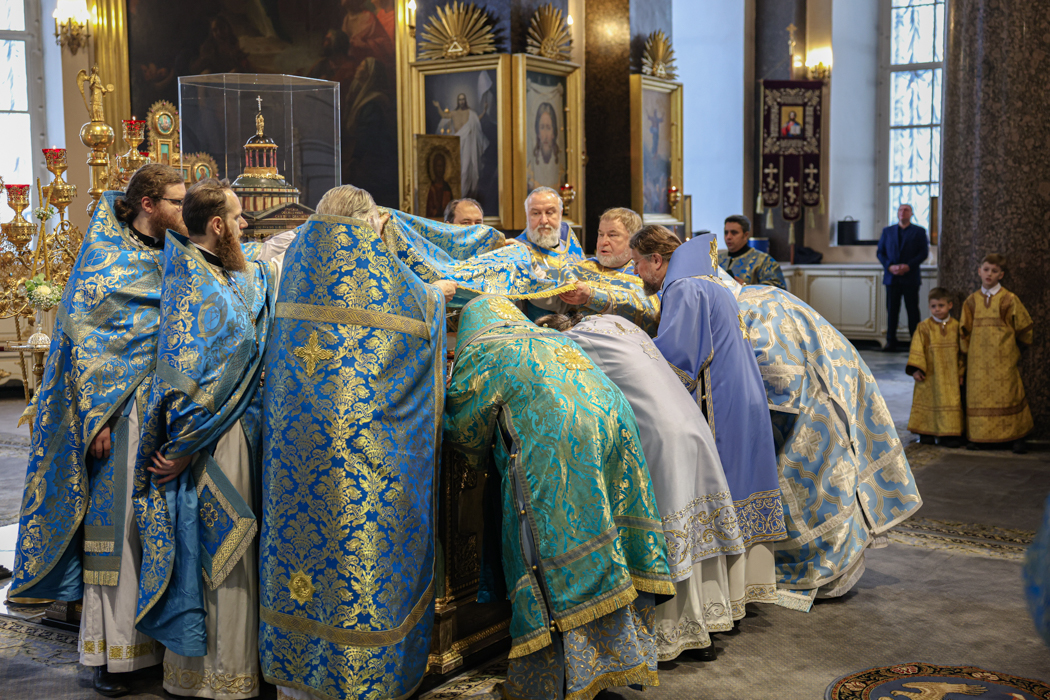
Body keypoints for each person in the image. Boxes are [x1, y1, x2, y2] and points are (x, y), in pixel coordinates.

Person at [260, 185, 445, 700]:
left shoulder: (292, 260)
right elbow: (423, 312)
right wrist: (437, 294)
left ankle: (298, 678)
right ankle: (356, 675)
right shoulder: (378, 267)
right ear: (370, 221)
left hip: (293, 443)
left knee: (300, 551)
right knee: (356, 554)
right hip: (361, 451)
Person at [9, 164, 185, 698]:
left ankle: (158, 648)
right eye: (177, 202)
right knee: (117, 535)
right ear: (149, 204)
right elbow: (86, 344)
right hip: (118, 416)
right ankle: (111, 655)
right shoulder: (106, 259)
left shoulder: (176, 253)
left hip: (165, 414)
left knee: (160, 534)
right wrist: (97, 419)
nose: (184, 210)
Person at [445, 295, 674, 700]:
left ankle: (554, 681)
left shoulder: (483, 351)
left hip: (560, 443)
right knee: (607, 545)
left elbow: (465, 431)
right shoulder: (551, 338)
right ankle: (610, 662)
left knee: (555, 554)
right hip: (615, 426)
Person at [133, 179, 295, 699]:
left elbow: (268, 274)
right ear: (219, 225)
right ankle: (213, 678)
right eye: (240, 218)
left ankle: (239, 668)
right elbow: (181, 376)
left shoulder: (225, 271)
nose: (247, 226)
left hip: (240, 430)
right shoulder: (190, 283)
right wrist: (182, 445)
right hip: (211, 441)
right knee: (220, 552)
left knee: (238, 551)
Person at [541, 312, 747, 662]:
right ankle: (708, 622)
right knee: (697, 528)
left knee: (671, 530)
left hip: (662, 436)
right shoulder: (617, 324)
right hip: (691, 423)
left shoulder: (575, 340)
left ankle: (676, 633)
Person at [717, 269, 922, 602]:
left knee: (815, 489)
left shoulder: (753, 308)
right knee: (830, 481)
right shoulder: (756, 297)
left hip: (808, 410)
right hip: (823, 393)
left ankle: (823, 572)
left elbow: (780, 383)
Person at [633, 228, 786, 617]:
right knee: (743, 484)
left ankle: (721, 598)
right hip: (743, 396)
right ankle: (743, 589)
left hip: (720, 402)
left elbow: (678, 358)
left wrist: (634, 357)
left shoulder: (683, 287)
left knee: (718, 489)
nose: (636, 272)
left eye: (637, 263)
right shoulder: (710, 281)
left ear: (656, 260)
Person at [962, 253, 1034, 454]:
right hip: (977, 361)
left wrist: (1015, 348)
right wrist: (967, 355)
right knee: (978, 397)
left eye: (994, 271)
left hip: (1004, 358)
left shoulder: (1010, 299)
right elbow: (964, 332)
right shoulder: (971, 301)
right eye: (986, 269)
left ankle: (1017, 437)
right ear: (979, 271)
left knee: (1010, 394)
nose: (989, 274)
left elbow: (1024, 327)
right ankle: (978, 436)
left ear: (1001, 275)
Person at [556, 207, 661, 335]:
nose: (603, 242)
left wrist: (591, 296)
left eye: (612, 235)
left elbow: (649, 313)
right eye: (601, 234)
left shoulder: (644, 273)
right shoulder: (581, 268)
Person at [514, 187, 586, 320]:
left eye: (550, 213)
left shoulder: (569, 240)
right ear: (527, 215)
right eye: (536, 213)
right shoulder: (519, 250)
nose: (543, 221)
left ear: (560, 213)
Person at [906, 287, 965, 447]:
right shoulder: (924, 327)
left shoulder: (956, 326)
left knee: (950, 402)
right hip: (929, 374)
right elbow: (917, 349)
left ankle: (948, 435)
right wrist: (916, 369)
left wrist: (961, 372)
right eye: (933, 306)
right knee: (928, 400)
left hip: (950, 376)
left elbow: (962, 352)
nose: (937, 309)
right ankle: (926, 433)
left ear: (950, 305)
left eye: (941, 305)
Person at [877, 204, 929, 351]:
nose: (902, 212)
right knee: (892, 310)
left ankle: (916, 342)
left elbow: (923, 253)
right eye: (900, 210)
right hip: (892, 277)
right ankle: (890, 341)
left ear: (911, 213)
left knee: (912, 310)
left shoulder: (919, 231)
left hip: (910, 276)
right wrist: (889, 266)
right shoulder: (887, 231)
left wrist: (908, 266)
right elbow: (880, 252)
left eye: (906, 210)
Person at [433, 93, 489, 198]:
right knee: (456, 169)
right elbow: (444, 115)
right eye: (460, 100)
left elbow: (477, 120)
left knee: (465, 169)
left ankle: (463, 196)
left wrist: (484, 111)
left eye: (463, 99)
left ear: (465, 101)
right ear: (458, 101)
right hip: (457, 143)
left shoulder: (471, 113)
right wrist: (438, 107)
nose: (461, 101)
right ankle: (457, 195)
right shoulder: (454, 113)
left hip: (467, 143)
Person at [717, 214, 786, 288]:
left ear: (745, 235)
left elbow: (778, 288)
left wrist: (746, 287)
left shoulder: (764, 261)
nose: (728, 237)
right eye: (726, 233)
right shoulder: (717, 260)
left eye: (734, 233)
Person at [527, 102, 562, 190]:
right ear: (538, 133)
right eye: (542, 128)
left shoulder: (560, 170)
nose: (545, 135)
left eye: (548, 128)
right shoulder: (530, 170)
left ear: (553, 133)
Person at [425, 151, 454, 218]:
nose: (440, 169)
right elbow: (429, 211)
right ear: (434, 168)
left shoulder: (447, 187)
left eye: (442, 166)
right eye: (438, 166)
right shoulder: (432, 189)